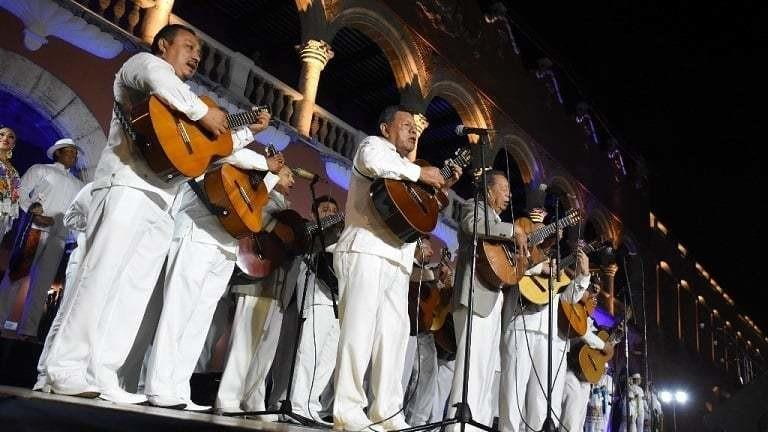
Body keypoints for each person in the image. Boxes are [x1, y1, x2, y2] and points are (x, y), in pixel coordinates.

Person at [42, 23, 269, 403]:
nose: (196, 55)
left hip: (162, 201)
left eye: (199, 50)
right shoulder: (143, 65)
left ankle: (104, 372)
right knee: (100, 279)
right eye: (189, 46)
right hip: (127, 185)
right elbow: (159, 79)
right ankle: (64, 366)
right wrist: (203, 111)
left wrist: (249, 130)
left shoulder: (185, 106)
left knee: (132, 292)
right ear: (164, 45)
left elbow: (216, 149)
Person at [332, 105, 458, 431]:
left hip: (398, 263)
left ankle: (387, 413)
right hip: (365, 250)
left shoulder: (406, 169)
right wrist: (420, 173)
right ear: (387, 128)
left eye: (415, 128)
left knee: (394, 339)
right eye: (406, 125)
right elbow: (375, 164)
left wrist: (439, 186)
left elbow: (420, 209)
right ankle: (348, 409)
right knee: (359, 332)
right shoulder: (373, 146)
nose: (413, 131)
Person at [143, 145, 283, 411]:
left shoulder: (247, 169)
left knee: (199, 320)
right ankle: (158, 385)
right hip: (197, 233)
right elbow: (230, 153)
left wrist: (271, 172)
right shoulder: (220, 150)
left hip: (226, 245)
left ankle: (179, 387)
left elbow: (253, 202)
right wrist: (265, 162)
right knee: (178, 313)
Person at [446, 170, 528, 432]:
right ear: (490, 191)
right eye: (504, 189)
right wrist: (512, 229)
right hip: (474, 299)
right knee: (470, 370)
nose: (509, 195)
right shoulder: (475, 206)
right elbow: (472, 225)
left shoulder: (497, 225)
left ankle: (476, 427)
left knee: (486, 373)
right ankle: (457, 428)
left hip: (492, 304)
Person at [215, 165, 296, 414]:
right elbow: (254, 216)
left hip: (278, 288)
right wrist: (275, 227)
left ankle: (253, 399)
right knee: (244, 345)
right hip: (256, 283)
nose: (292, 179)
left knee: (265, 351)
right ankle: (228, 398)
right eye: (288, 174)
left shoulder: (285, 207)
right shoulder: (263, 196)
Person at [499, 235, 593, 429]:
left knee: (541, 400)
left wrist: (583, 275)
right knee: (513, 391)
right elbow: (510, 268)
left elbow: (567, 297)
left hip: (548, 335)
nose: (554, 237)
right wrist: (539, 268)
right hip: (521, 324)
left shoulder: (557, 263)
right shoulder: (524, 247)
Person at [0, 138, 84, 339]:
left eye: (75, 153)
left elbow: (77, 212)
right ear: (58, 153)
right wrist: (33, 210)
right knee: (17, 276)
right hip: (35, 228)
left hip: (60, 237)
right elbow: (20, 193)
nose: (74, 155)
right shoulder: (41, 169)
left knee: (43, 285)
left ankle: (28, 330)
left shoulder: (79, 184)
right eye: (69, 151)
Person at [287, 195, 343, 423]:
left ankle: (311, 404)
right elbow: (307, 237)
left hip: (338, 299)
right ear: (314, 213)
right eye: (325, 209)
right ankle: (297, 404)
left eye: (334, 209)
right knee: (309, 350)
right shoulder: (312, 229)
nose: (330, 212)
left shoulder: (342, 232)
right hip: (316, 293)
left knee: (328, 357)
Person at [34, 182, 92, 392]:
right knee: (65, 314)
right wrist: (96, 222)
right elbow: (70, 217)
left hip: (101, 264)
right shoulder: (92, 188)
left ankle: (73, 373)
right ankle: (43, 374)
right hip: (81, 257)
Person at [559, 282, 615, 432]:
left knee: (580, 420)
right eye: (591, 293)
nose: (594, 298)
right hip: (570, 371)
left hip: (585, 377)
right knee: (570, 417)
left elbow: (597, 351)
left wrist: (603, 359)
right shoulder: (573, 310)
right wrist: (603, 346)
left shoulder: (594, 324)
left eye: (596, 295)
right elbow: (583, 334)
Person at [0, 126, 20, 237]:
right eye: (1, 134)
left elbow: (15, 197)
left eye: (10, 137)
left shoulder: (14, 172)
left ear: (13, 145)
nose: (5, 137)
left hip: (3, 217)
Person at [585, 365, 614, 432]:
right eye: (604, 368)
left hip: (606, 402)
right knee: (593, 422)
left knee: (605, 421)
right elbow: (593, 387)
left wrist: (605, 390)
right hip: (596, 401)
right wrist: (598, 390)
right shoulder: (597, 376)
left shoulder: (609, 378)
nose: (605, 370)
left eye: (606, 369)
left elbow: (612, 391)